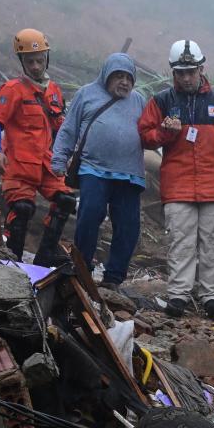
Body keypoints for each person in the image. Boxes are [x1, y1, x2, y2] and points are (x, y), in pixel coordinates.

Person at [139, 39, 214, 317]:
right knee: (181, 241)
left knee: (213, 243)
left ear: (202, 68)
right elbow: (144, 134)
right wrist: (165, 134)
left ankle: (211, 296)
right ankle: (178, 295)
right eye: (181, 72)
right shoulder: (162, 101)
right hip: (178, 186)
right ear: (173, 72)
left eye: (191, 71)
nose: (187, 77)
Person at [50, 53, 147, 289]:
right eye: (118, 76)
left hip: (130, 174)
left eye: (128, 78)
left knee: (128, 226)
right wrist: (59, 158)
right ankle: (82, 268)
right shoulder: (87, 94)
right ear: (106, 76)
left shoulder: (140, 100)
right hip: (94, 169)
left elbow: (152, 132)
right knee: (89, 215)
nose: (124, 82)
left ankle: (114, 277)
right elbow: (69, 129)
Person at [0, 28, 68, 261]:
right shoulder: (12, 89)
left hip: (47, 163)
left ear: (47, 59)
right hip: (19, 165)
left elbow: (61, 127)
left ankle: (45, 258)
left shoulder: (54, 91)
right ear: (22, 62)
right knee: (23, 209)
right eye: (30, 61)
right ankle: (12, 261)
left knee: (66, 201)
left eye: (39, 60)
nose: (35, 66)